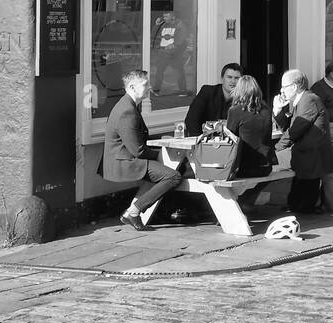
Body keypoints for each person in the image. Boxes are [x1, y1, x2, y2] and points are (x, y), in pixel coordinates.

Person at [103, 71, 183, 231]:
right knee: (173, 177)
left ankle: (138, 210)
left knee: (170, 171)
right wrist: (160, 153)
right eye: (145, 84)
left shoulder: (129, 105)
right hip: (124, 162)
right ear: (132, 87)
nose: (149, 87)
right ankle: (133, 212)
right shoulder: (127, 111)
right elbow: (138, 151)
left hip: (126, 158)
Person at [275, 70, 333, 214]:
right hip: (304, 153)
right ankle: (295, 205)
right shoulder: (302, 100)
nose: (281, 90)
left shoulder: (309, 100)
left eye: (284, 87)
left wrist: (276, 149)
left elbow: (295, 130)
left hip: (313, 155)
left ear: (295, 87)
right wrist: (277, 110)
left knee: (271, 165)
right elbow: (288, 127)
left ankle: (303, 207)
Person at [225, 74, 276, 178]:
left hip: (244, 167)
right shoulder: (267, 110)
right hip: (265, 166)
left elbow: (230, 139)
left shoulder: (235, 111)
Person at [185, 63, 241, 134]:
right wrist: (199, 140)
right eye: (229, 77)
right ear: (222, 78)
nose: (233, 81)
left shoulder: (244, 98)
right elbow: (191, 120)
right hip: (204, 139)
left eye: (236, 78)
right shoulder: (207, 92)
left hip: (231, 141)